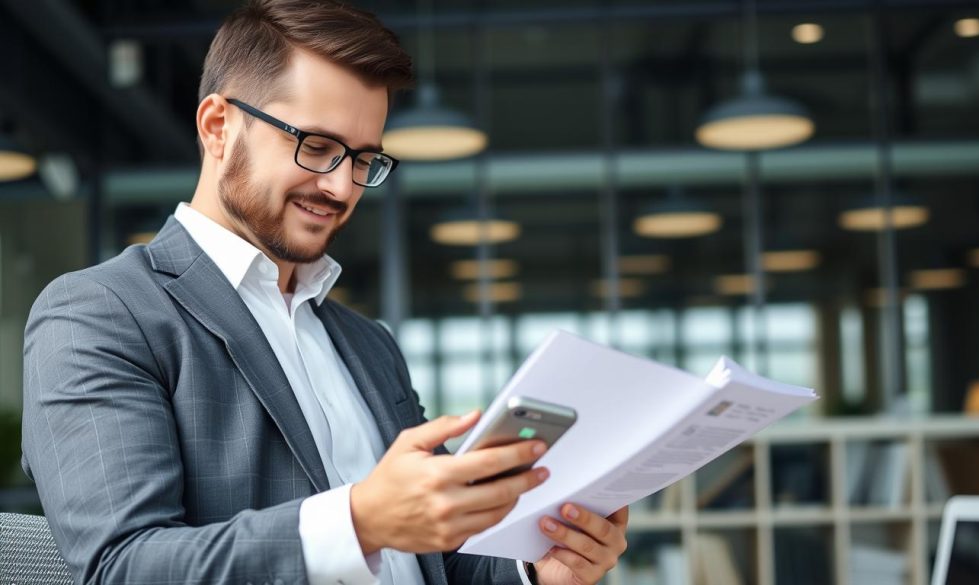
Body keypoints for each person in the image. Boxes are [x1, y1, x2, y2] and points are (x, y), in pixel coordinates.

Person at [20, 1, 628, 584]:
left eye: (365, 159)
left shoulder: (368, 345)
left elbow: (438, 561)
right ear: (217, 126)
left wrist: (535, 571)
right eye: (315, 146)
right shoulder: (101, 315)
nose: (340, 186)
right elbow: (123, 567)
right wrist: (359, 521)